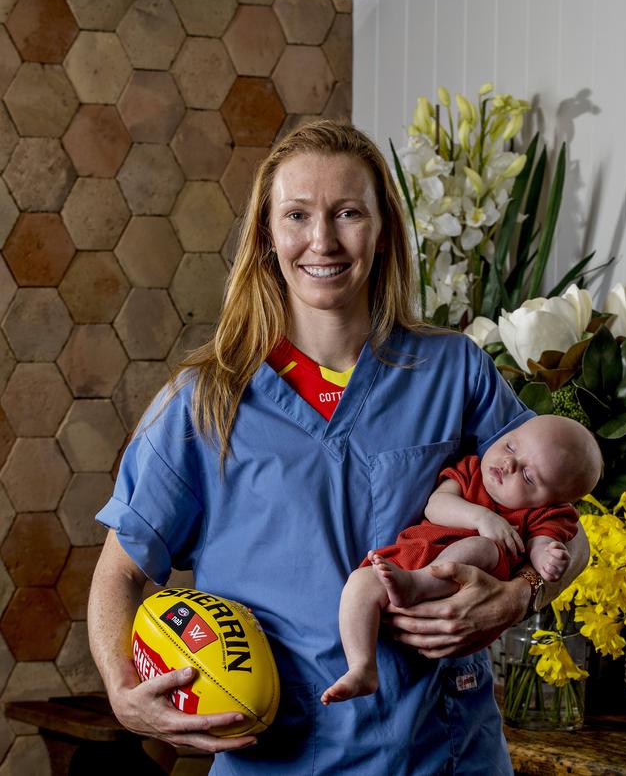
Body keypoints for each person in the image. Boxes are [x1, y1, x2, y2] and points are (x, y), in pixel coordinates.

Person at [88, 121, 590, 776]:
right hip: (281, 760)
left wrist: (518, 595)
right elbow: (119, 573)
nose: (321, 240)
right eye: (297, 214)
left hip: (447, 755)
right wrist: (127, 697)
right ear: (268, 237)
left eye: (347, 212)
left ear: (382, 232)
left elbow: (570, 531)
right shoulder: (202, 401)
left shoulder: (455, 372)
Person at [321, 415, 601, 705]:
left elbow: (542, 543)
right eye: (510, 446)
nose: (509, 464)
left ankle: (417, 584)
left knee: (482, 546)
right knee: (359, 583)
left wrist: (547, 558)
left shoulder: (546, 515)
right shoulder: (472, 471)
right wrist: (481, 516)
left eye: (529, 477)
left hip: (466, 577)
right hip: (414, 554)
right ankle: (362, 667)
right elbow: (437, 505)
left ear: (553, 501)